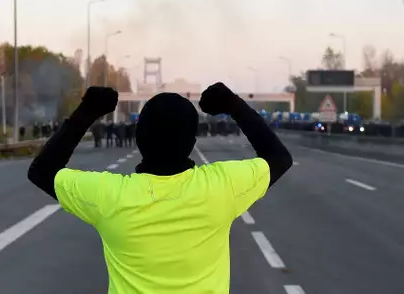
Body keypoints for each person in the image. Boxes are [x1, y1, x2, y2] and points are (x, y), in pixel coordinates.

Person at [27, 83, 293, 293]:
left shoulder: (111, 195)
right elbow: (279, 158)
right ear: (192, 141)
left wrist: (87, 111)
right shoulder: (221, 187)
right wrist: (234, 105)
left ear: (139, 138)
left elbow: (42, 171)